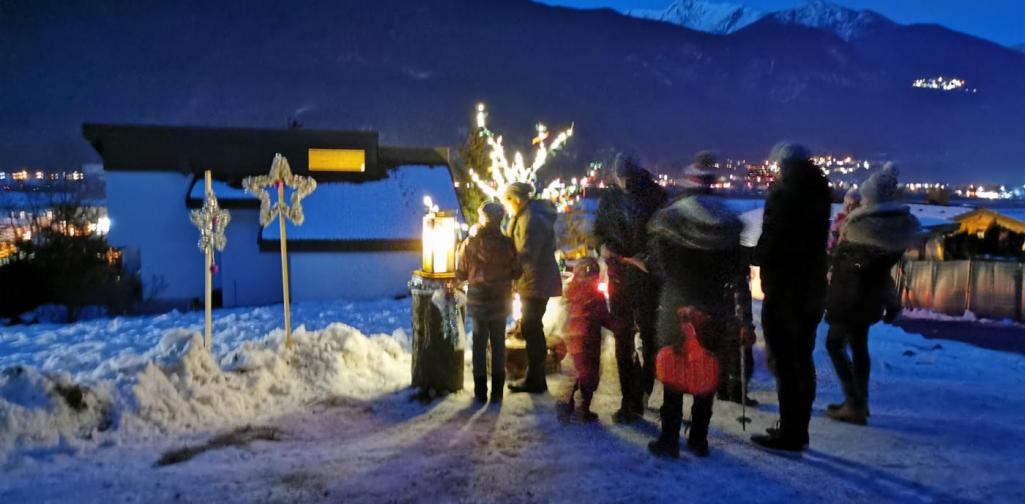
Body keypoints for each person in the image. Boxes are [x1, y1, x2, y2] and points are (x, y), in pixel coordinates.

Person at [645, 185, 750, 459]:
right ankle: (699, 438)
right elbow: (739, 270)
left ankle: (669, 439)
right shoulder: (728, 230)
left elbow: (659, 266)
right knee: (707, 373)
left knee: (674, 373)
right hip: (715, 308)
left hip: (677, 306)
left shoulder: (672, 227)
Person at [750, 143, 832, 452]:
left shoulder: (785, 194)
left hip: (786, 289)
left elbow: (772, 240)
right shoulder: (819, 190)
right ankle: (799, 428)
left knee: (785, 361)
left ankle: (791, 433)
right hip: (810, 289)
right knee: (802, 359)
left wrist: (753, 256)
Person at [825, 164, 919, 425]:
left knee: (834, 345)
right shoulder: (893, 229)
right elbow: (880, 272)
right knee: (859, 346)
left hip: (849, 298)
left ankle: (854, 403)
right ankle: (859, 402)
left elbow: (845, 265)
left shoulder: (860, 228)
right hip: (870, 299)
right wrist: (891, 300)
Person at [593, 159, 667, 423]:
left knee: (643, 337)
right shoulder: (613, 198)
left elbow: (663, 237)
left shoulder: (654, 197)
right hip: (625, 277)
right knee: (630, 338)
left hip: (645, 278)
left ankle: (640, 393)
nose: (624, 183)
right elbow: (599, 233)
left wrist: (643, 258)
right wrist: (604, 247)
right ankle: (634, 398)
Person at [456, 202, 522, 404]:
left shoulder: (471, 243)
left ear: (483, 217)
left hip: (478, 300)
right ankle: (497, 393)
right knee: (498, 346)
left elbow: (461, 272)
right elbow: (517, 270)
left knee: (479, 345)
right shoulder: (507, 244)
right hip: (500, 300)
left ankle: (479, 391)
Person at [501, 182, 562, 394]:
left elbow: (527, 253)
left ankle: (536, 379)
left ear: (517, 199)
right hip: (534, 280)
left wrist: (507, 266)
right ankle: (535, 377)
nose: (506, 207)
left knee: (532, 328)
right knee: (531, 327)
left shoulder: (532, 219)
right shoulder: (528, 214)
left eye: (507, 201)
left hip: (536, 281)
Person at [557, 257, 616, 423]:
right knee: (590, 375)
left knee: (576, 373)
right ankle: (584, 408)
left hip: (573, 341)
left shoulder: (571, 290)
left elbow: (565, 314)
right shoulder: (595, 295)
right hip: (589, 341)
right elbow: (605, 317)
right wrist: (619, 327)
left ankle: (565, 405)